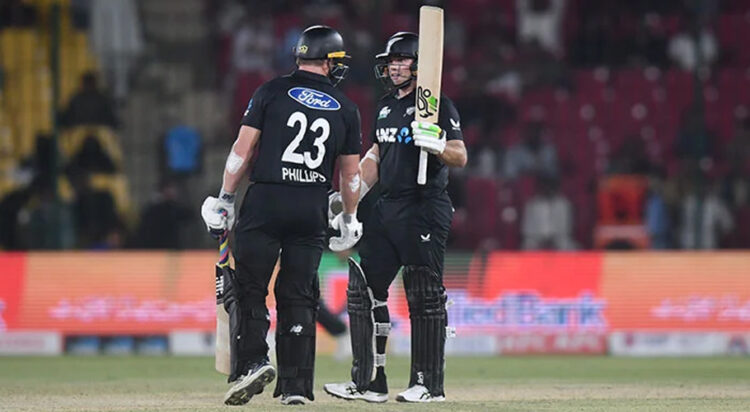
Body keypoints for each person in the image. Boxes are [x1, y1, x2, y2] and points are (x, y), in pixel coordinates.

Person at [200, 25, 363, 406]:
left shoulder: (270, 91)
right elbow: (351, 175)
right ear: (327, 62)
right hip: (311, 206)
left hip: (266, 200)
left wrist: (225, 197)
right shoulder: (347, 107)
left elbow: (243, 151)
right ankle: (295, 387)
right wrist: (351, 217)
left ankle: (253, 362)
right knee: (299, 295)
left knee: (250, 287)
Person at [323, 32, 467, 403]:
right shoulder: (386, 107)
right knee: (362, 290)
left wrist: (436, 144)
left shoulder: (437, 106)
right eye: (391, 61)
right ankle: (366, 380)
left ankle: (428, 384)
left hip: (424, 207)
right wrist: (349, 196)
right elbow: (375, 155)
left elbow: (460, 155)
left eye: (402, 60)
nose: (394, 66)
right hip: (386, 208)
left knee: (423, 295)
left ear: (421, 66)